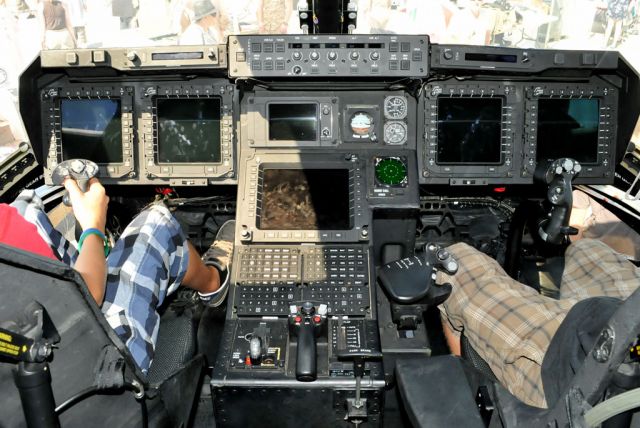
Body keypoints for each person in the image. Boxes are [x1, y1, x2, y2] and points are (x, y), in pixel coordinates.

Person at [0, 179, 234, 373]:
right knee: (155, 224)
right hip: (96, 364)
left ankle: (107, 260)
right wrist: (93, 226)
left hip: (29, 370)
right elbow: (89, 294)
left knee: (27, 212)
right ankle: (214, 282)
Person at [438, 238, 639, 408]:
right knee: (588, 247)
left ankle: (464, 395)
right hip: (619, 313)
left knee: (455, 262)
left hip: (573, 373)